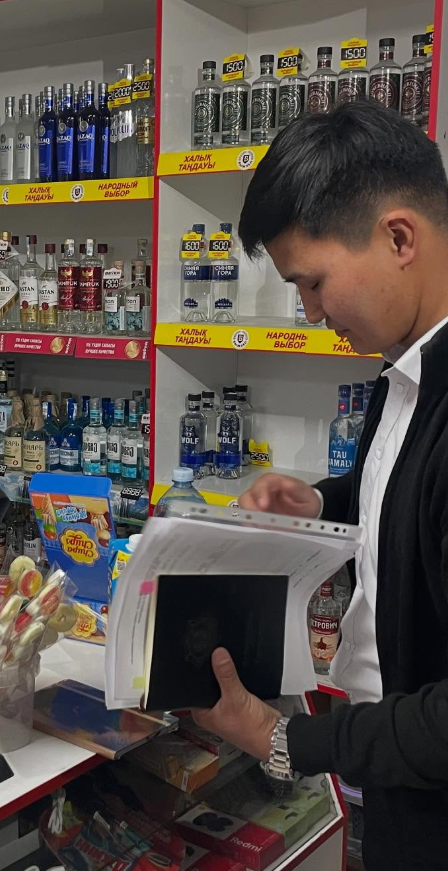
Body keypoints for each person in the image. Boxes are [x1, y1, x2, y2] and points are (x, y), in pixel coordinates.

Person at [192, 101, 448, 870]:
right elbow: (411, 495)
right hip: (398, 781)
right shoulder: (406, 364)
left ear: (398, 237)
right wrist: (323, 502)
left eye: (312, 282)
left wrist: (281, 738)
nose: (309, 313)